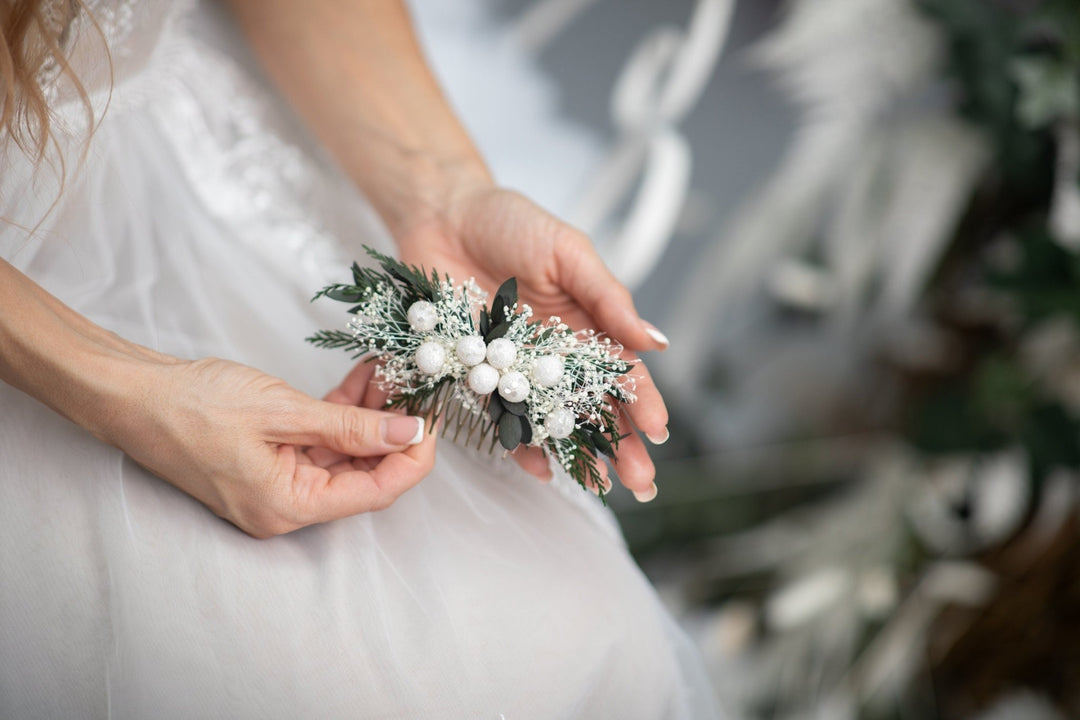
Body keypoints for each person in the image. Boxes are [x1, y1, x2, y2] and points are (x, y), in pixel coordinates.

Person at [0, 1, 720, 717]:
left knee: (590, 619)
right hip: (31, 309)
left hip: (204, 145)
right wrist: (127, 394)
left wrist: (446, 195)